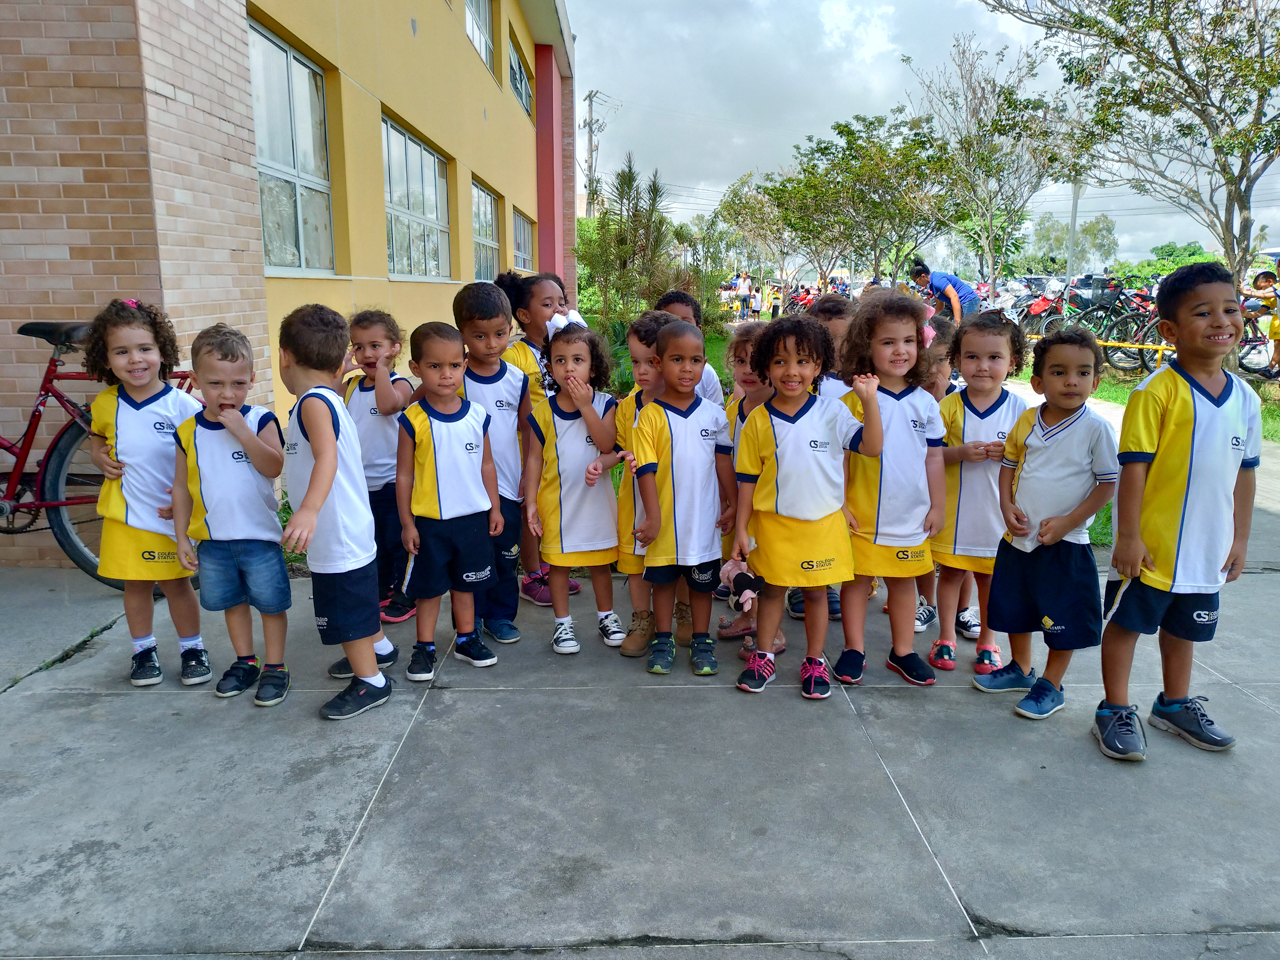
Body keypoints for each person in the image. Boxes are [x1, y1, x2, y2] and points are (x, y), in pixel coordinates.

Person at [1095, 262, 1260, 760]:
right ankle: (1114, 709)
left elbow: (1245, 474)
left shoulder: (1246, 399)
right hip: (1152, 547)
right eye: (1203, 312)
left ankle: (1174, 704)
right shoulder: (1155, 393)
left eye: (1231, 309)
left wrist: (1240, 539)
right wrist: (1128, 537)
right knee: (1127, 625)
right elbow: (1134, 469)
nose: (1222, 321)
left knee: (1184, 627)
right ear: (1169, 330)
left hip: (1208, 548)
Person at [733, 316, 882, 698]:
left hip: (822, 525)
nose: (791, 371)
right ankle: (764, 656)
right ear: (766, 367)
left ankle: (815, 661)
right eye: (780, 361)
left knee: (816, 594)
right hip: (774, 526)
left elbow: (872, 447)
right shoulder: (757, 421)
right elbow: (747, 480)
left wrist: (870, 401)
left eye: (802, 361)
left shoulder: (833, 412)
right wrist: (741, 529)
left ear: (818, 366)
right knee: (771, 592)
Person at [976, 327, 1117, 720]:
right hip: (1019, 538)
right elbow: (1008, 465)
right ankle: (1021, 668)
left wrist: (1069, 522)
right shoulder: (1028, 419)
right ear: (1038, 383)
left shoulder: (1096, 429)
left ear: (1096, 381)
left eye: (1083, 372)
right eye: (1059, 372)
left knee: (1063, 618)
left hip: (1065, 543)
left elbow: (1108, 484)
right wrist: (1006, 505)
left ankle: (1052, 684)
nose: (1072, 381)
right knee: (1013, 607)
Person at [278, 304, 394, 719]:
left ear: (284, 356)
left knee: (347, 612)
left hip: (336, 530)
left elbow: (326, 456)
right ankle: (380, 648)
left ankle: (371, 681)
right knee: (358, 600)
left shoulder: (313, 402)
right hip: (346, 529)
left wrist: (308, 510)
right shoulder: (327, 396)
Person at [86, 299, 204, 687]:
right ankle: (143, 652)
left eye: (144, 348)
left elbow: (203, 460)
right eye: (121, 351)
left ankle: (193, 649)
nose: (135, 359)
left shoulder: (183, 406)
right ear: (106, 359)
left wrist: (187, 501)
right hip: (123, 515)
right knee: (135, 585)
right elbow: (98, 437)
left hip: (168, 518)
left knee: (176, 586)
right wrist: (97, 456)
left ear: (162, 352)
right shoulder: (105, 403)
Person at [171, 324, 291, 705]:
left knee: (270, 606)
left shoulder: (259, 420)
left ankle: (275, 666)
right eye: (216, 384)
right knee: (233, 604)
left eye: (238, 384)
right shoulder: (187, 432)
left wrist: (243, 434)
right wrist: (181, 537)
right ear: (196, 382)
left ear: (252, 379)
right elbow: (181, 488)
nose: (228, 394)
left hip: (259, 539)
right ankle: (246, 661)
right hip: (213, 542)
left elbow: (274, 466)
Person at [835, 294, 946, 687]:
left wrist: (938, 506)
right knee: (856, 582)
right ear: (867, 347)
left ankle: (903, 651)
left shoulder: (926, 404)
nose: (900, 350)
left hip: (910, 515)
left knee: (903, 582)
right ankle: (854, 648)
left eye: (909, 341)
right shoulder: (853, 401)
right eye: (888, 342)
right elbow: (840, 458)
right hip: (861, 515)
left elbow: (934, 459)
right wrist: (840, 503)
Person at [395, 322, 504, 682]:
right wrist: (407, 523)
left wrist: (495, 508)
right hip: (429, 524)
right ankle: (424, 647)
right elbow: (404, 476)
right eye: (435, 366)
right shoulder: (412, 419)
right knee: (428, 591)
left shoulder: (477, 416)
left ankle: (467, 639)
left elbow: (487, 465)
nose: (446, 374)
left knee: (466, 584)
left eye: (455, 365)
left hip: (472, 520)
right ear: (416, 368)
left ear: (465, 365)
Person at [927, 312, 1030, 676]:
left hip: (996, 516)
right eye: (972, 356)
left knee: (990, 579)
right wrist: (958, 453)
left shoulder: (1021, 411)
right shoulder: (948, 407)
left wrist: (1012, 456)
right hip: (955, 513)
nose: (982, 366)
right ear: (957, 360)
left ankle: (988, 640)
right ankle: (945, 636)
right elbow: (929, 455)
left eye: (994, 357)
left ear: (1012, 362)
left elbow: (1032, 458)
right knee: (951, 574)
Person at [633, 320, 737, 676]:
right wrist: (653, 517)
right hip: (663, 524)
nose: (687, 368)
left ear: (704, 363)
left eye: (695, 360)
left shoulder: (714, 415)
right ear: (659, 363)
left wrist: (732, 503)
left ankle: (701, 641)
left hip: (703, 524)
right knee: (663, 585)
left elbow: (723, 463)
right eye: (677, 359)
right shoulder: (649, 417)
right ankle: (663, 639)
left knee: (701, 587)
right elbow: (646, 470)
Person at [524, 324, 625, 653]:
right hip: (558, 504)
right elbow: (534, 459)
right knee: (558, 565)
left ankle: (607, 616)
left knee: (599, 563)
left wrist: (585, 406)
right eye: (560, 360)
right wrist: (530, 502)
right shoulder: (543, 411)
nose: (569, 368)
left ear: (592, 367)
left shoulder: (606, 404)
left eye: (578, 360)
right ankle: (562, 624)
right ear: (550, 367)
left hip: (596, 504)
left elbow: (607, 444)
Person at [493, 270, 581, 607]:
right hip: (526, 450)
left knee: (547, 508)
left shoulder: (566, 350)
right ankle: (531, 574)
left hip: (559, 449)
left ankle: (549, 567)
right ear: (524, 315)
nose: (558, 309)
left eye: (562, 302)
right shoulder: (515, 355)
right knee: (527, 510)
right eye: (547, 304)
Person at [590, 310, 675, 657]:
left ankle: (683, 615)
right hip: (636, 503)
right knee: (637, 566)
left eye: (650, 362)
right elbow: (618, 449)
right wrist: (601, 462)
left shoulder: (682, 405)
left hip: (672, 502)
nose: (641, 371)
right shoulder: (627, 408)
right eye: (635, 361)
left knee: (677, 564)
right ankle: (642, 620)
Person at [452, 283, 531, 647]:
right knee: (468, 558)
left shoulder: (517, 380)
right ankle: (470, 621)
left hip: (507, 485)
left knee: (504, 557)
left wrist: (529, 475)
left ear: (511, 328)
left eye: (499, 334)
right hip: (463, 491)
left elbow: (528, 431)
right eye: (479, 336)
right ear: (462, 335)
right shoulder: (454, 378)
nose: (491, 344)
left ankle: (500, 616)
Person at [716, 321, 785, 659]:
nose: (748, 370)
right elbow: (724, 461)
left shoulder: (780, 412)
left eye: (756, 363)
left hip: (767, 508)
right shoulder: (733, 410)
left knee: (767, 572)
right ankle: (748, 617)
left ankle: (773, 632)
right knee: (741, 567)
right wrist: (728, 501)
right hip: (739, 504)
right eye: (741, 362)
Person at [341, 310, 415, 626]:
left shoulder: (401, 384)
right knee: (375, 543)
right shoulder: (350, 387)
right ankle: (383, 589)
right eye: (358, 347)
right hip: (361, 484)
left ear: (395, 348)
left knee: (399, 543)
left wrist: (382, 370)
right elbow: (324, 400)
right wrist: (339, 371)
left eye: (375, 346)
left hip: (393, 483)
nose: (367, 354)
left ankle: (406, 594)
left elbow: (387, 405)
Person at [654, 290, 725, 405]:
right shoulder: (650, 373)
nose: (679, 330)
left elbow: (718, 411)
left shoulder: (707, 374)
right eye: (670, 324)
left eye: (686, 323)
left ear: (698, 330)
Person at [910, 258, 979, 333]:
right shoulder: (933, 285)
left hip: (969, 301)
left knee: (966, 332)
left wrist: (957, 321)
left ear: (923, 276)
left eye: (916, 281)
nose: (916, 284)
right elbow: (940, 307)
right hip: (962, 304)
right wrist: (928, 319)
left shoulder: (937, 280)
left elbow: (954, 296)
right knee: (956, 332)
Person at [1242, 270, 1280, 379]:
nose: (1261, 292)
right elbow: (1259, 313)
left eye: (1261, 288)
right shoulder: (1270, 298)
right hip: (1277, 323)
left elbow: (1264, 294)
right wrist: (1246, 314)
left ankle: (1270, 368)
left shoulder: (1277, 288)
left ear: (1270, 282)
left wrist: (1249, 292)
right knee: (1277, 346)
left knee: (1278, 346)